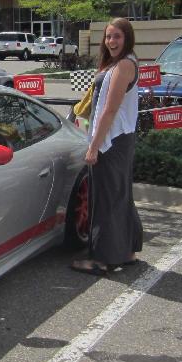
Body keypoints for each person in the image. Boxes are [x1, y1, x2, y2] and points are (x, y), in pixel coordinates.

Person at [71, 18, 143, 276]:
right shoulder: (120, 63)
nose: (111, 41)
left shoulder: (124, 64)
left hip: (112, 141)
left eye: (117, 37)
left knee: (106, 199)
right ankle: (128, 252)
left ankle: (103, 259)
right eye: (109, 36)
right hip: (119, 139)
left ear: (127, 39)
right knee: (120, 195)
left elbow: (110, 109)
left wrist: (94, 146)